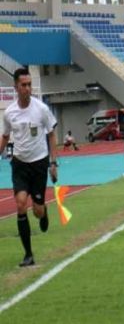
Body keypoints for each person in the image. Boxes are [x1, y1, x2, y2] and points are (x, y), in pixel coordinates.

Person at [0, 68, 58, 267]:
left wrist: (53, 162)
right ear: (16, 87)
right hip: (19, 163)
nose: (27, 88)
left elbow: (51, 134)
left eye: (29, 84)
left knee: (38, 212)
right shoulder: (9, 113)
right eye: (23, 85)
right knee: (20, 204)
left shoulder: (41, 109)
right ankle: (28, 254)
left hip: (39, 163)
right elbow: (6, 136)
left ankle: (44, 210)